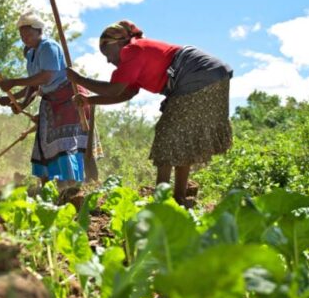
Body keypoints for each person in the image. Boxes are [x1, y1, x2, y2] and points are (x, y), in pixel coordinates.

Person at [66, 20, 233, 206]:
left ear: (119, 44)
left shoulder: (132, 50)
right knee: (183, 138)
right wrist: (89, 100)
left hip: (197, 74)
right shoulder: (134, 57)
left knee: (167, 135)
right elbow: (125, 93)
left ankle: (161, 200)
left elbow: (114, 89)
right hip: (212, 74)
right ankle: (178, 198)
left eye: (107, 54)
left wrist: (79, 79)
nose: (108, 60)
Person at [0, 11, 95, 185]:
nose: (24, 38)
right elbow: (34, 86)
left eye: (28, 34)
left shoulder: (49, 46)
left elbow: (46, 77)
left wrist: (14, 82)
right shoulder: (30, 53)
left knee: (66, 143)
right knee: (47, 142)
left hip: (69, 99)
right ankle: (51, 185)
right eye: (22, 35)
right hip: (52, 101)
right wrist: (17, 102)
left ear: (39, 32)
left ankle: (72, 185)